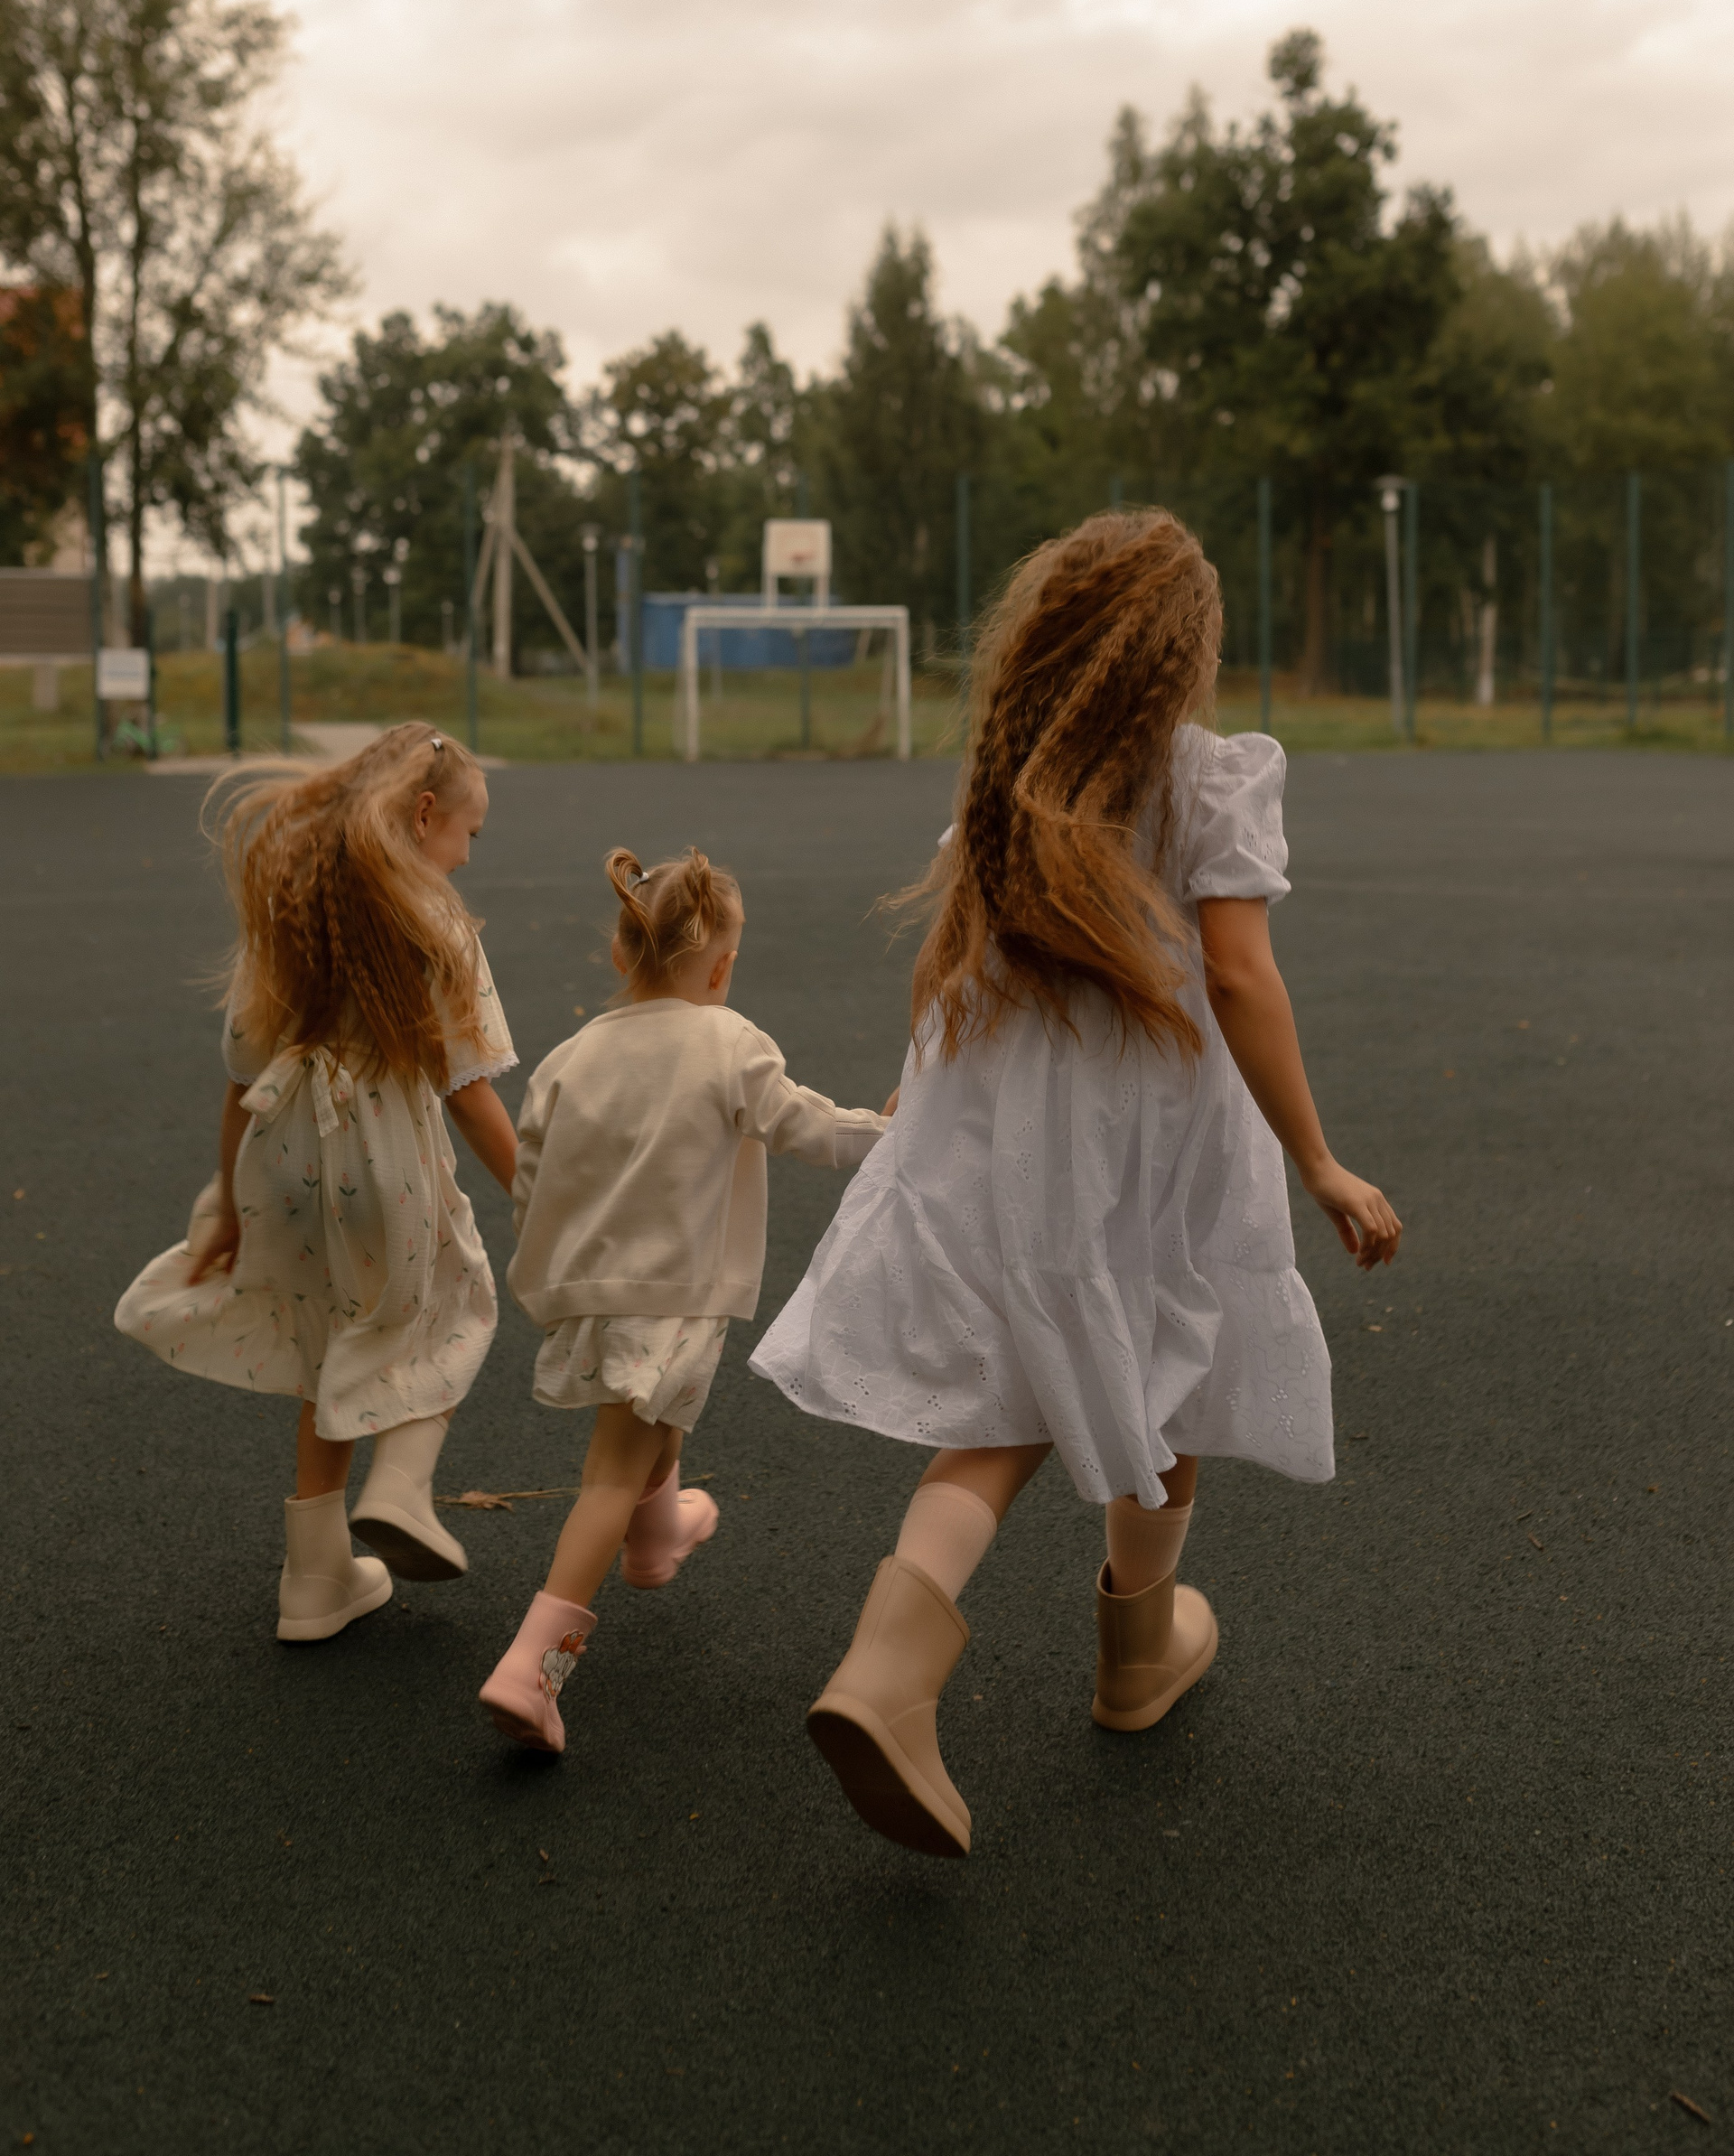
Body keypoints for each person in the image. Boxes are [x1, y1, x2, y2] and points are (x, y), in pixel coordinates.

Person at [750, 509, 1403, 1857]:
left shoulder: (1017, 775)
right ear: (1180, 656)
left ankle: (912, 1657)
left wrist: (917, 1095)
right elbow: (1239, 976)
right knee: (1170, 1345)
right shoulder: (1209, 778)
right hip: (1155, 1130)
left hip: (1010, 1119)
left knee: (1015, 1390)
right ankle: (1127, 1651)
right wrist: (1318, 1157)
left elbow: (952, 952)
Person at [479, 845, 890, 1754]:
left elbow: (531, 1177)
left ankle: (657, 1532)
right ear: (721, 965)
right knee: (609, 1474)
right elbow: (807, 1125)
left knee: (649, 1416)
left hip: (592, 1290)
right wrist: (893, 1133)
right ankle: (532, 1671)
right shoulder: (729, 1041)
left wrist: (548, 1270)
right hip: (669, 1295)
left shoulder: (568, 1057)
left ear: (621, 951)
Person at [115, 723, 518, 1641]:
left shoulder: (291, 911)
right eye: (470, 832)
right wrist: (537, 1193)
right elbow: (467, 1089)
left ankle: (314, 1577)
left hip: (287, 1161)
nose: (467, 854)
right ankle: (402, 1488)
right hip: (387, 1168)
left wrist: (231, 1203)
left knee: (338, 1335)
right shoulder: (435, 923)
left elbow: (239, 1078)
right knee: (454, 1299)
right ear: (425, 815)